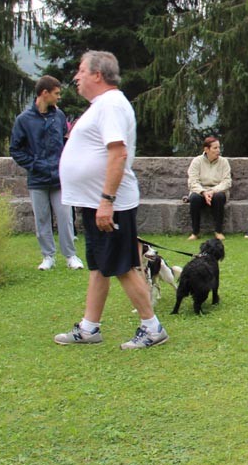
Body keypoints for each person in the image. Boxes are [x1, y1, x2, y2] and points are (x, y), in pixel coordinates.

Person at [54, 51, 167, 349]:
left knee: (121, 266)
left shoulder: (112, 104)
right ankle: (89, 328)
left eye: (81, 70)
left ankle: (152, 328)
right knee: (99, 266)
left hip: (109, 204)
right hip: (95, 202)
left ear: (97, 74)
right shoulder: (101, 105)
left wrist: (107, 201)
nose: (76, 77)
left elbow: (118, 153)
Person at [10, 75, 83, 271]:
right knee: (42, 219)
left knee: (65, 218)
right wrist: (34, 164)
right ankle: (48, 256)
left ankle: (71, 256)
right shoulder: (23, 120)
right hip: (37, 179)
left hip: (60, 178)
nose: (59, 97)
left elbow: (66, 142)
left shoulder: (59, 116)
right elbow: (15, 149)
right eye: (56, 93)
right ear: (45, 93)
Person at [187, 136, 232, 241]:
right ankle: (195, 232)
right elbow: (192, 181)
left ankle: (218, 231)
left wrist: (213, 191)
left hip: (217, 191)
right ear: (206, 149)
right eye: (215, 148)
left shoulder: (224, 162)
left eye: (219, 147)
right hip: (200, 191)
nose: (218, 150)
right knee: (194, 198)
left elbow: (227, 182)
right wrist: (203, 192)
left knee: (219, 197)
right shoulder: (197, 161)